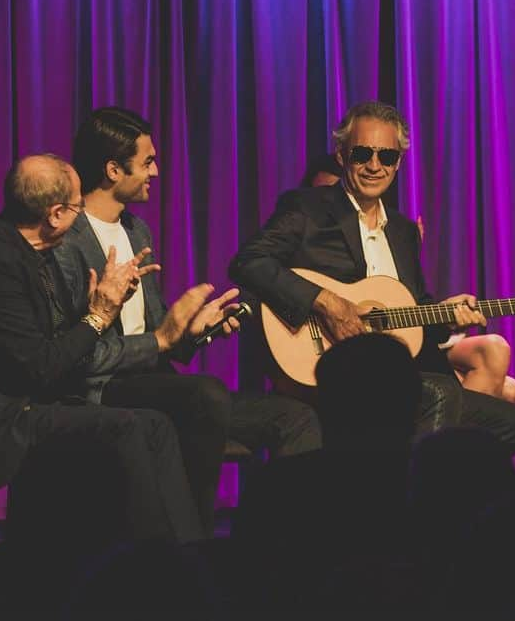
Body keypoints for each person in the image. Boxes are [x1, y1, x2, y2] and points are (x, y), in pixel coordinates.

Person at [55, 107, 321, 536]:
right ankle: (192, 541)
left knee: (295, 417)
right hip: (105, 386)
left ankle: (279, 546)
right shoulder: (68, 240)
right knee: (204, 394)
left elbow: (164, 336)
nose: (156, 172)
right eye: (147, 162)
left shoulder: (137, 231)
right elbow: (78, 353)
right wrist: (162, 340)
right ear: (111, 169)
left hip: (155, 380)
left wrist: (196, 331)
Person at [0, 154, 203, 543]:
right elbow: (38, 367)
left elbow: (48, 349)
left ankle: (189, 558)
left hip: (25, 397)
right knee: (125, 427)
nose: (80, 214)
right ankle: (147, 568)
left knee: (156, 424)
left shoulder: (28, 251)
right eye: (77, 206)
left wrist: (94, 312)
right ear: (55, 214)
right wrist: (98, 316)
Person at [230, 100, 515, 453]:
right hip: (331, 370)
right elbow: (248, 261)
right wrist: (326, 302)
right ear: (342, 155)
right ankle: (409, 498)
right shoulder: (307, 207)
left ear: (398, 162)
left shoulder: (402, 231)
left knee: (512, 422)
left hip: (394, 374)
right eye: (362, 154)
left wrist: (448, 317)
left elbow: (413, 316)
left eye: (386, 157)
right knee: (439, 392)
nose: (375, 166)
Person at [298, 150, 515, 407]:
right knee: (507, 393)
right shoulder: (310, 242)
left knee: (498, 356)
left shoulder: (395, 232)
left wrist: (445, 316)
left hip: (408, 335)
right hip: (358, 350)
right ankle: (447, 441)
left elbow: (414, 305)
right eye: (326, 195)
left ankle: (451, 440)